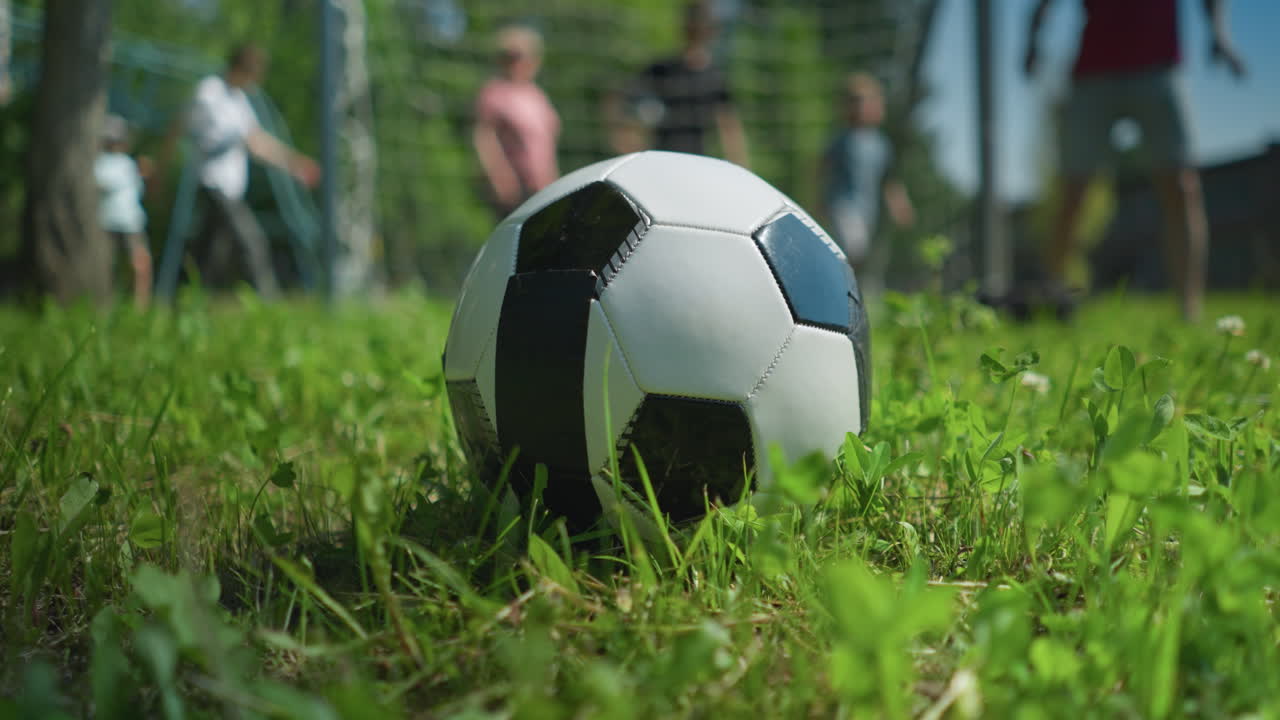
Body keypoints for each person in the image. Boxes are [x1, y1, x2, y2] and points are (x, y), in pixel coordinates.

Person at [1024, 0, 1246, 322]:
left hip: (1158, 66)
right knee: (1072, 193)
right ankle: (1051, 299)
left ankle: (1189, 308)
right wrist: (1032, 40)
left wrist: (1219, 33)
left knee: (1182, 187)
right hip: (1093, 71)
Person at [184, 43, 319, 298]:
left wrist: (295, 163)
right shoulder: (210, 93)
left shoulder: (240, 100)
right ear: (241, 69)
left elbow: (257, 141)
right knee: (252, 241)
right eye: (254, 73)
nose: (256, 81)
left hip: (231, 187)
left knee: (211, 251)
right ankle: (266, 301)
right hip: (213, 182)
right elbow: (245, 142)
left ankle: (190, 300)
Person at [609, 1, 748, 167]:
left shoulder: (715, 77)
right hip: (661, 158)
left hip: (697, 161)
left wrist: (738, 164)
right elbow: (619, 95)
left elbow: (729, 126)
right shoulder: (663, 69)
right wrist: (622, 135)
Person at [820, 72, 915, 296]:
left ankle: (851, 292)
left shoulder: (881, 144)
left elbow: (889, 180)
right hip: (842, 207)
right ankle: (843, 291)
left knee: (860, 257)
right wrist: (819, 201)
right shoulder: (841, 140)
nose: (862, 107)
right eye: (855, 102)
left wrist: (900, 204)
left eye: (867, 101)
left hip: (867, 211)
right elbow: (822, 170)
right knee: (853, 250)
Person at [473, 25, 560, 218]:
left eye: (522, 55)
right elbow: (484, 138)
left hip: (545, 186)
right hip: (516, 190)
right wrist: (498, 177)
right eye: (509, 56)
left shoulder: (537, 95)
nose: (517, 62)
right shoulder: (494, 93)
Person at [95, 114, 153, 309]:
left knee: (136, 263)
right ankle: (115, 303)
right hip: (111, 221)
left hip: (126, 221)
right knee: (112, 265)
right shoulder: (104, 163)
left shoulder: (126, 163)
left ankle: (138, 305)